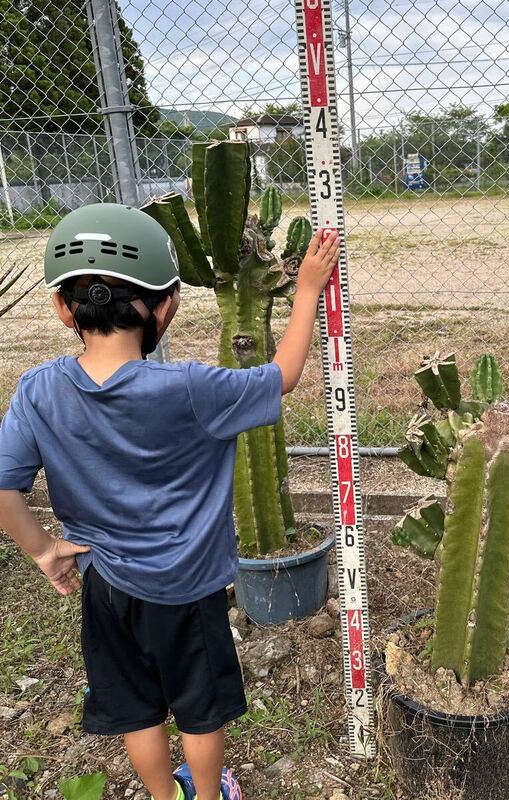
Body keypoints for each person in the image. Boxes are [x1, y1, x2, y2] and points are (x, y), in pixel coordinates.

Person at [0, 203, 339, 800]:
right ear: (167, 307)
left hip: (106, 586)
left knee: (136, 707)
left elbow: (4, 488)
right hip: (189, 589)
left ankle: (166, 798)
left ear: (61, 309)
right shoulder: (192, 388)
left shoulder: (38, 390)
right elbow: (283, 374)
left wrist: (45, 550)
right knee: (201, 710)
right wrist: (307, 288)